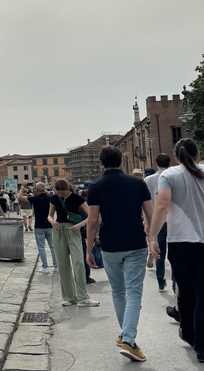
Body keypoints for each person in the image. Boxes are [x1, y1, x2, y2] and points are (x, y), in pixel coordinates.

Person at [85, 145, 153, 362]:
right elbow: (150, 215)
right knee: (133, 292)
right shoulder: (138, 183)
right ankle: (129, 340)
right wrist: (152, 239)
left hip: (109, 245)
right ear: (122, 161)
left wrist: (88, 250)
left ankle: (126, 335)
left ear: (101, 163)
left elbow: (93, 221)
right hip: (135, 243)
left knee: (118, 292)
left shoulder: (95, 186)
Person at [149, 139, 204, 362]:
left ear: (176, 157)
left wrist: (152, 237)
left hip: (181, 242)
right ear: (197, 154)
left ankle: (190, 335)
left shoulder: (169, 175)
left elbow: (162, 206)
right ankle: (202, 346)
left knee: (187, 292)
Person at [48, 179, 99, 308]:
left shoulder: (77, 198)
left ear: (68, 189)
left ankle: (82, 296)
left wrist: (80, 225)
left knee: (78, 263)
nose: (60, 194)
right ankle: (69, 297)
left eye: (63, 192)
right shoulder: (54, 198)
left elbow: (91, 216)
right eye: (58, 192)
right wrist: (52, 222)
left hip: (73, 230)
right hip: (58, 231)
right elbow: (49, 215)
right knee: (63, 265)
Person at [145, 154, 172, 291]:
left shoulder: (148, 180)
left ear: (156, 164)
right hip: (172, 219)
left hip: (156, 220)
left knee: (159, 251)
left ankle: (161, 280)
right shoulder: (174, 176)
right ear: (170, 162)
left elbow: (145, 203)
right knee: (173, 251)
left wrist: (146, 222)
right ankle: (175, 282)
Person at [18, 182, 57, 272]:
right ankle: (56, 265)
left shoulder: (35, 198)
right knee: (53, 246)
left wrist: (22, 187)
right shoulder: (50, 198)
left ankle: (45, 266)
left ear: (36, 191)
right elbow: (49, 193)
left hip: (39, 225)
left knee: (41, 247)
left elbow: (20, 197)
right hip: (50, 225)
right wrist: (41, 188)